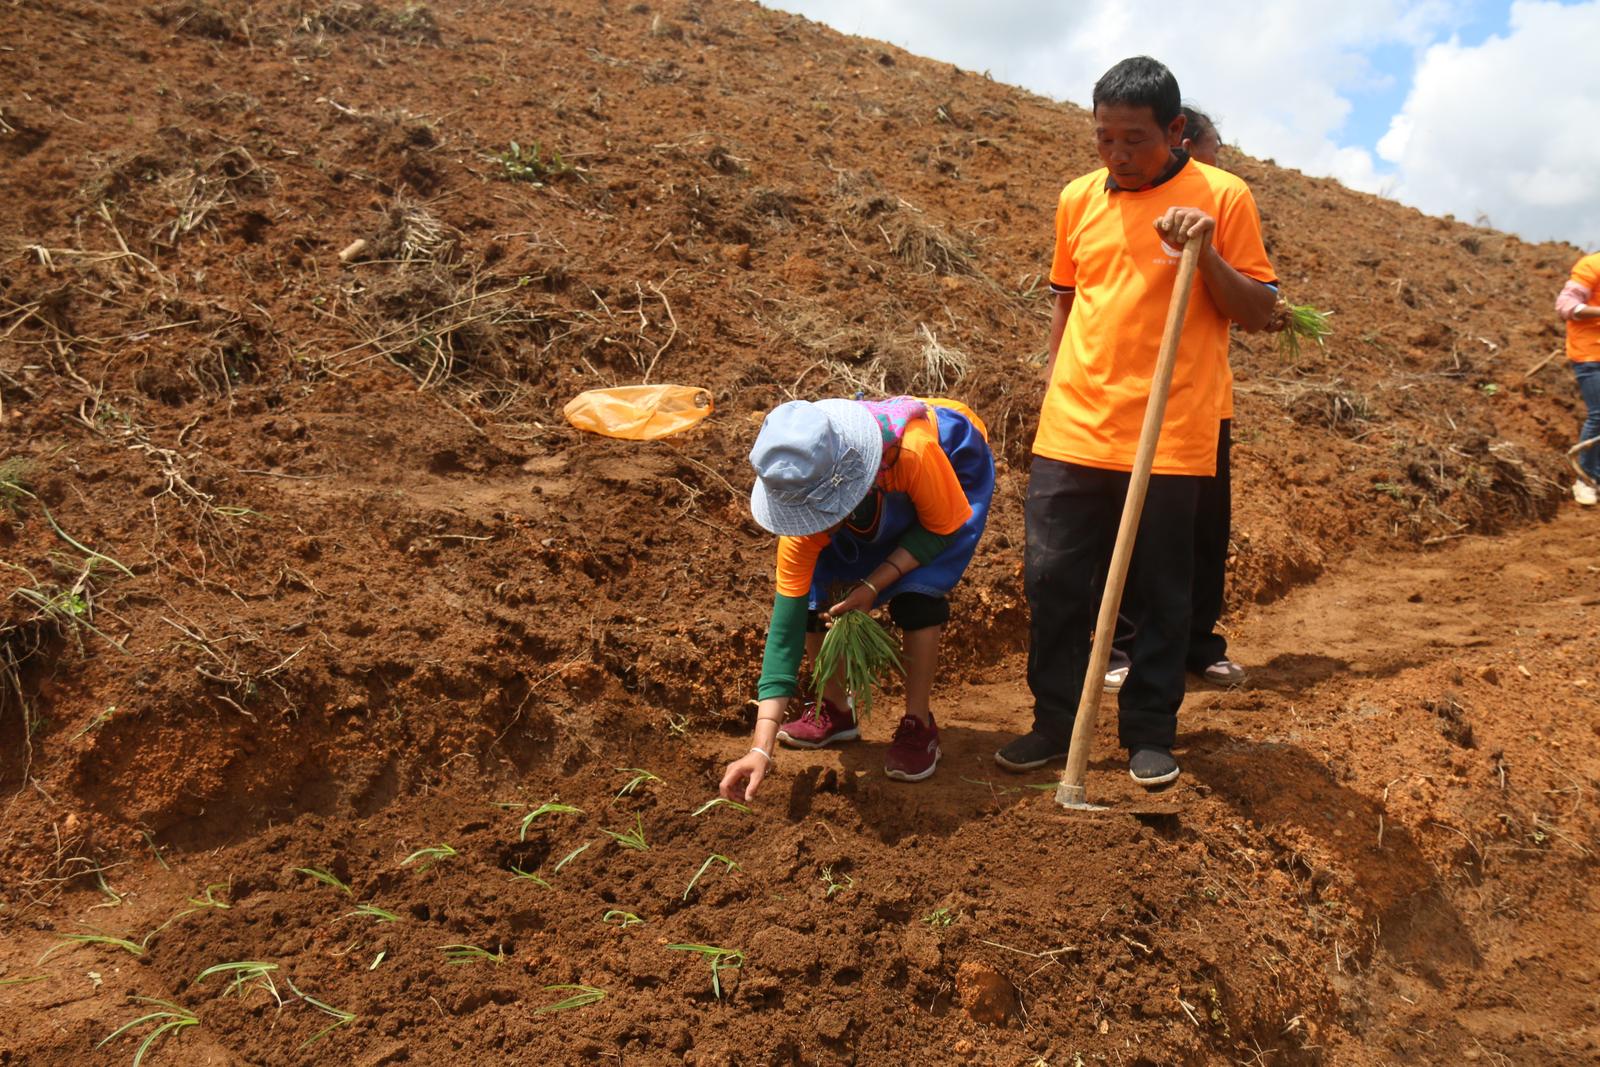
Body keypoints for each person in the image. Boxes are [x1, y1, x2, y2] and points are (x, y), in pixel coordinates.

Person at [996, 57, 1277, 787]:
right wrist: (1054, 382)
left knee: (1159, 590)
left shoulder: (1222, 195)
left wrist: (1204, 253)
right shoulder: (1077, 199)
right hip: (1075, 423)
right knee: (1051, 579)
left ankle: (1150, 729)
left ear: (1175, 130)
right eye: (1104, 138)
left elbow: (1259, 312)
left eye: (1134, 140)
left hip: (1171, 426)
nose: (1117, 155)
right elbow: (1067, 299)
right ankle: (1055, 722)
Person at [719, 395, 995, 801]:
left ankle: (919, 724)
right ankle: (834, 710)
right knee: (814, 599)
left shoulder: (913, 453)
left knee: (916, 598)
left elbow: (941, 528)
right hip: (875, 495)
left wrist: (873, 585)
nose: (811, 525)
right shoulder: (802, 500)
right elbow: (786, 629)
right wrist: (761, 746)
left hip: (945, 482)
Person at [1105, 104, 1250, 693]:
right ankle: (1122, 646)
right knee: (1134, 532)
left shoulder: (1224, 204)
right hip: (1130, 403)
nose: (1212, 171)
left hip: (1202, 402)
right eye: (1208, 156)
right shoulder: (1131, 203)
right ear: (1179, 144)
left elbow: (1248, 295)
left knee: (1203, 534)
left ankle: (1198, 644)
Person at [1556, 250, 1600, 505]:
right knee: (1599, 414)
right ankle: (1586, 478)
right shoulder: (1592, 265)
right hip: (1591, 355)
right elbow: (1565, 306)